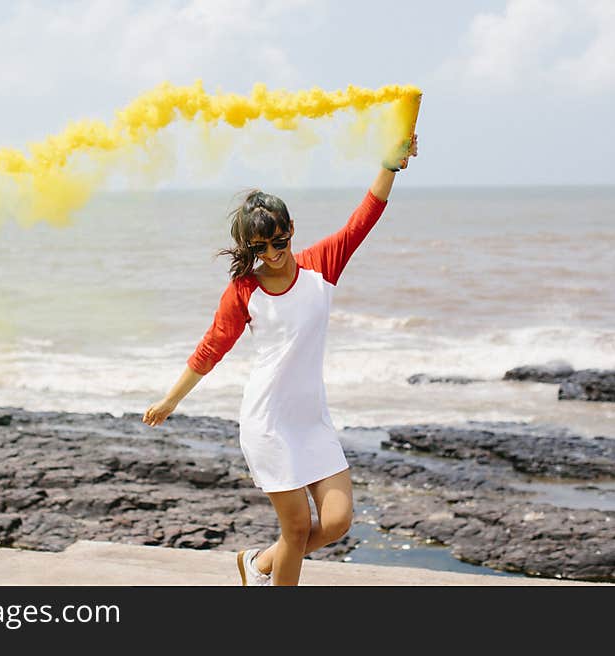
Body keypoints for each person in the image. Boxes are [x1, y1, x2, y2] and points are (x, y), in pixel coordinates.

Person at [142, 134, 419, 586]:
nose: (271, 255)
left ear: (291, 229)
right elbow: (211, 348)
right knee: (294, 529)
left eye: (278, 242)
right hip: (268, 422)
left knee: (337, 521)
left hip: (312, 420)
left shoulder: (321, 266)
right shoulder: (243, 292)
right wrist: (171, 401)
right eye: (259, 249)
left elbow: (364, 218)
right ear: (249, 248)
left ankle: (258, 564)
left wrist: (389, 165)